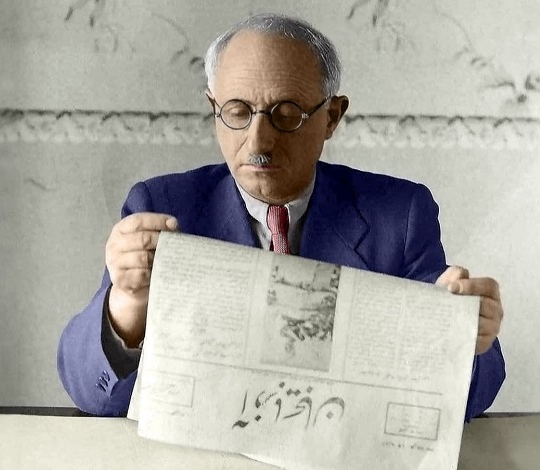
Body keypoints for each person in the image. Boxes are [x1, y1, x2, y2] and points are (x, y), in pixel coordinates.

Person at [57, 13, 505, 421]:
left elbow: (470, 397)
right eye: (236, 112)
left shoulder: (399, 215)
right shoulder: (163, 206)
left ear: (332, 117)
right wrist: (128, 306)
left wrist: (464, 339)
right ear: (213, 108)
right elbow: (92, 394)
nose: (258, 141)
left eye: (285, 115)